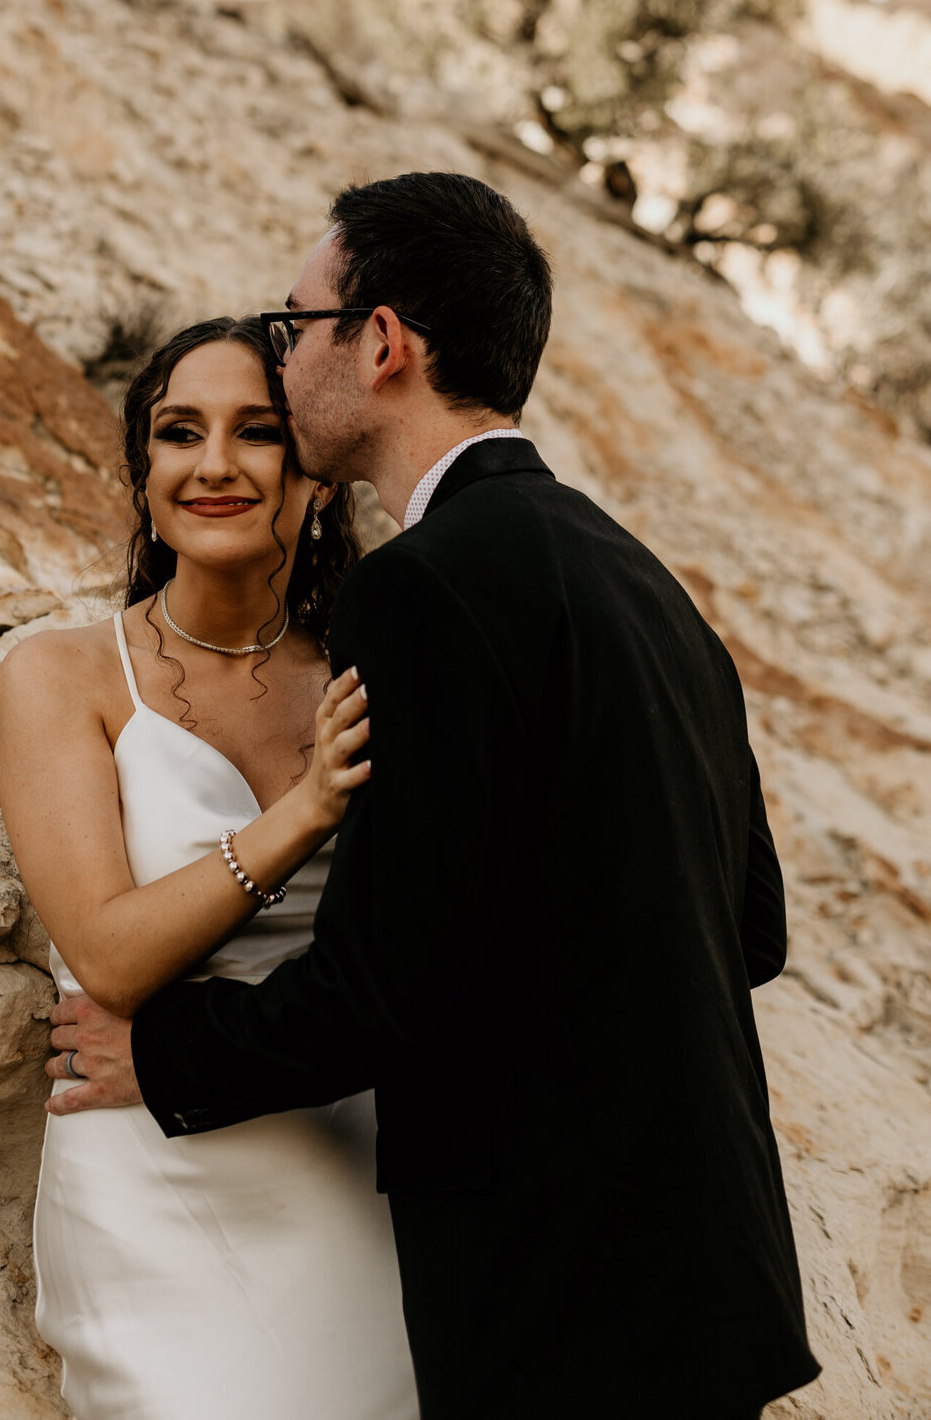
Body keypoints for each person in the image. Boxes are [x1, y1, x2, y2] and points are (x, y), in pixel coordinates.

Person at [51, 171, 823, 1420]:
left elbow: (386, 983)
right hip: (706, 1271)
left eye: (296, 328)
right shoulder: (648, 586)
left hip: (549, 1284)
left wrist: (165, 1054)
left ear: (385, 344)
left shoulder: (420, 591)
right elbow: (753, 928)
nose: (282, 362)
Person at [0, 315, 420, 1420]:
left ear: (316, 477)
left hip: (348, 1163)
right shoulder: (62, 676)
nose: (216, 465)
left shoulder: (370, 677)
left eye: (259, 433)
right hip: (151, 1176)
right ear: (143, 479)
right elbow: (108, 955)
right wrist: (307, 811)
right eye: (180, 433)